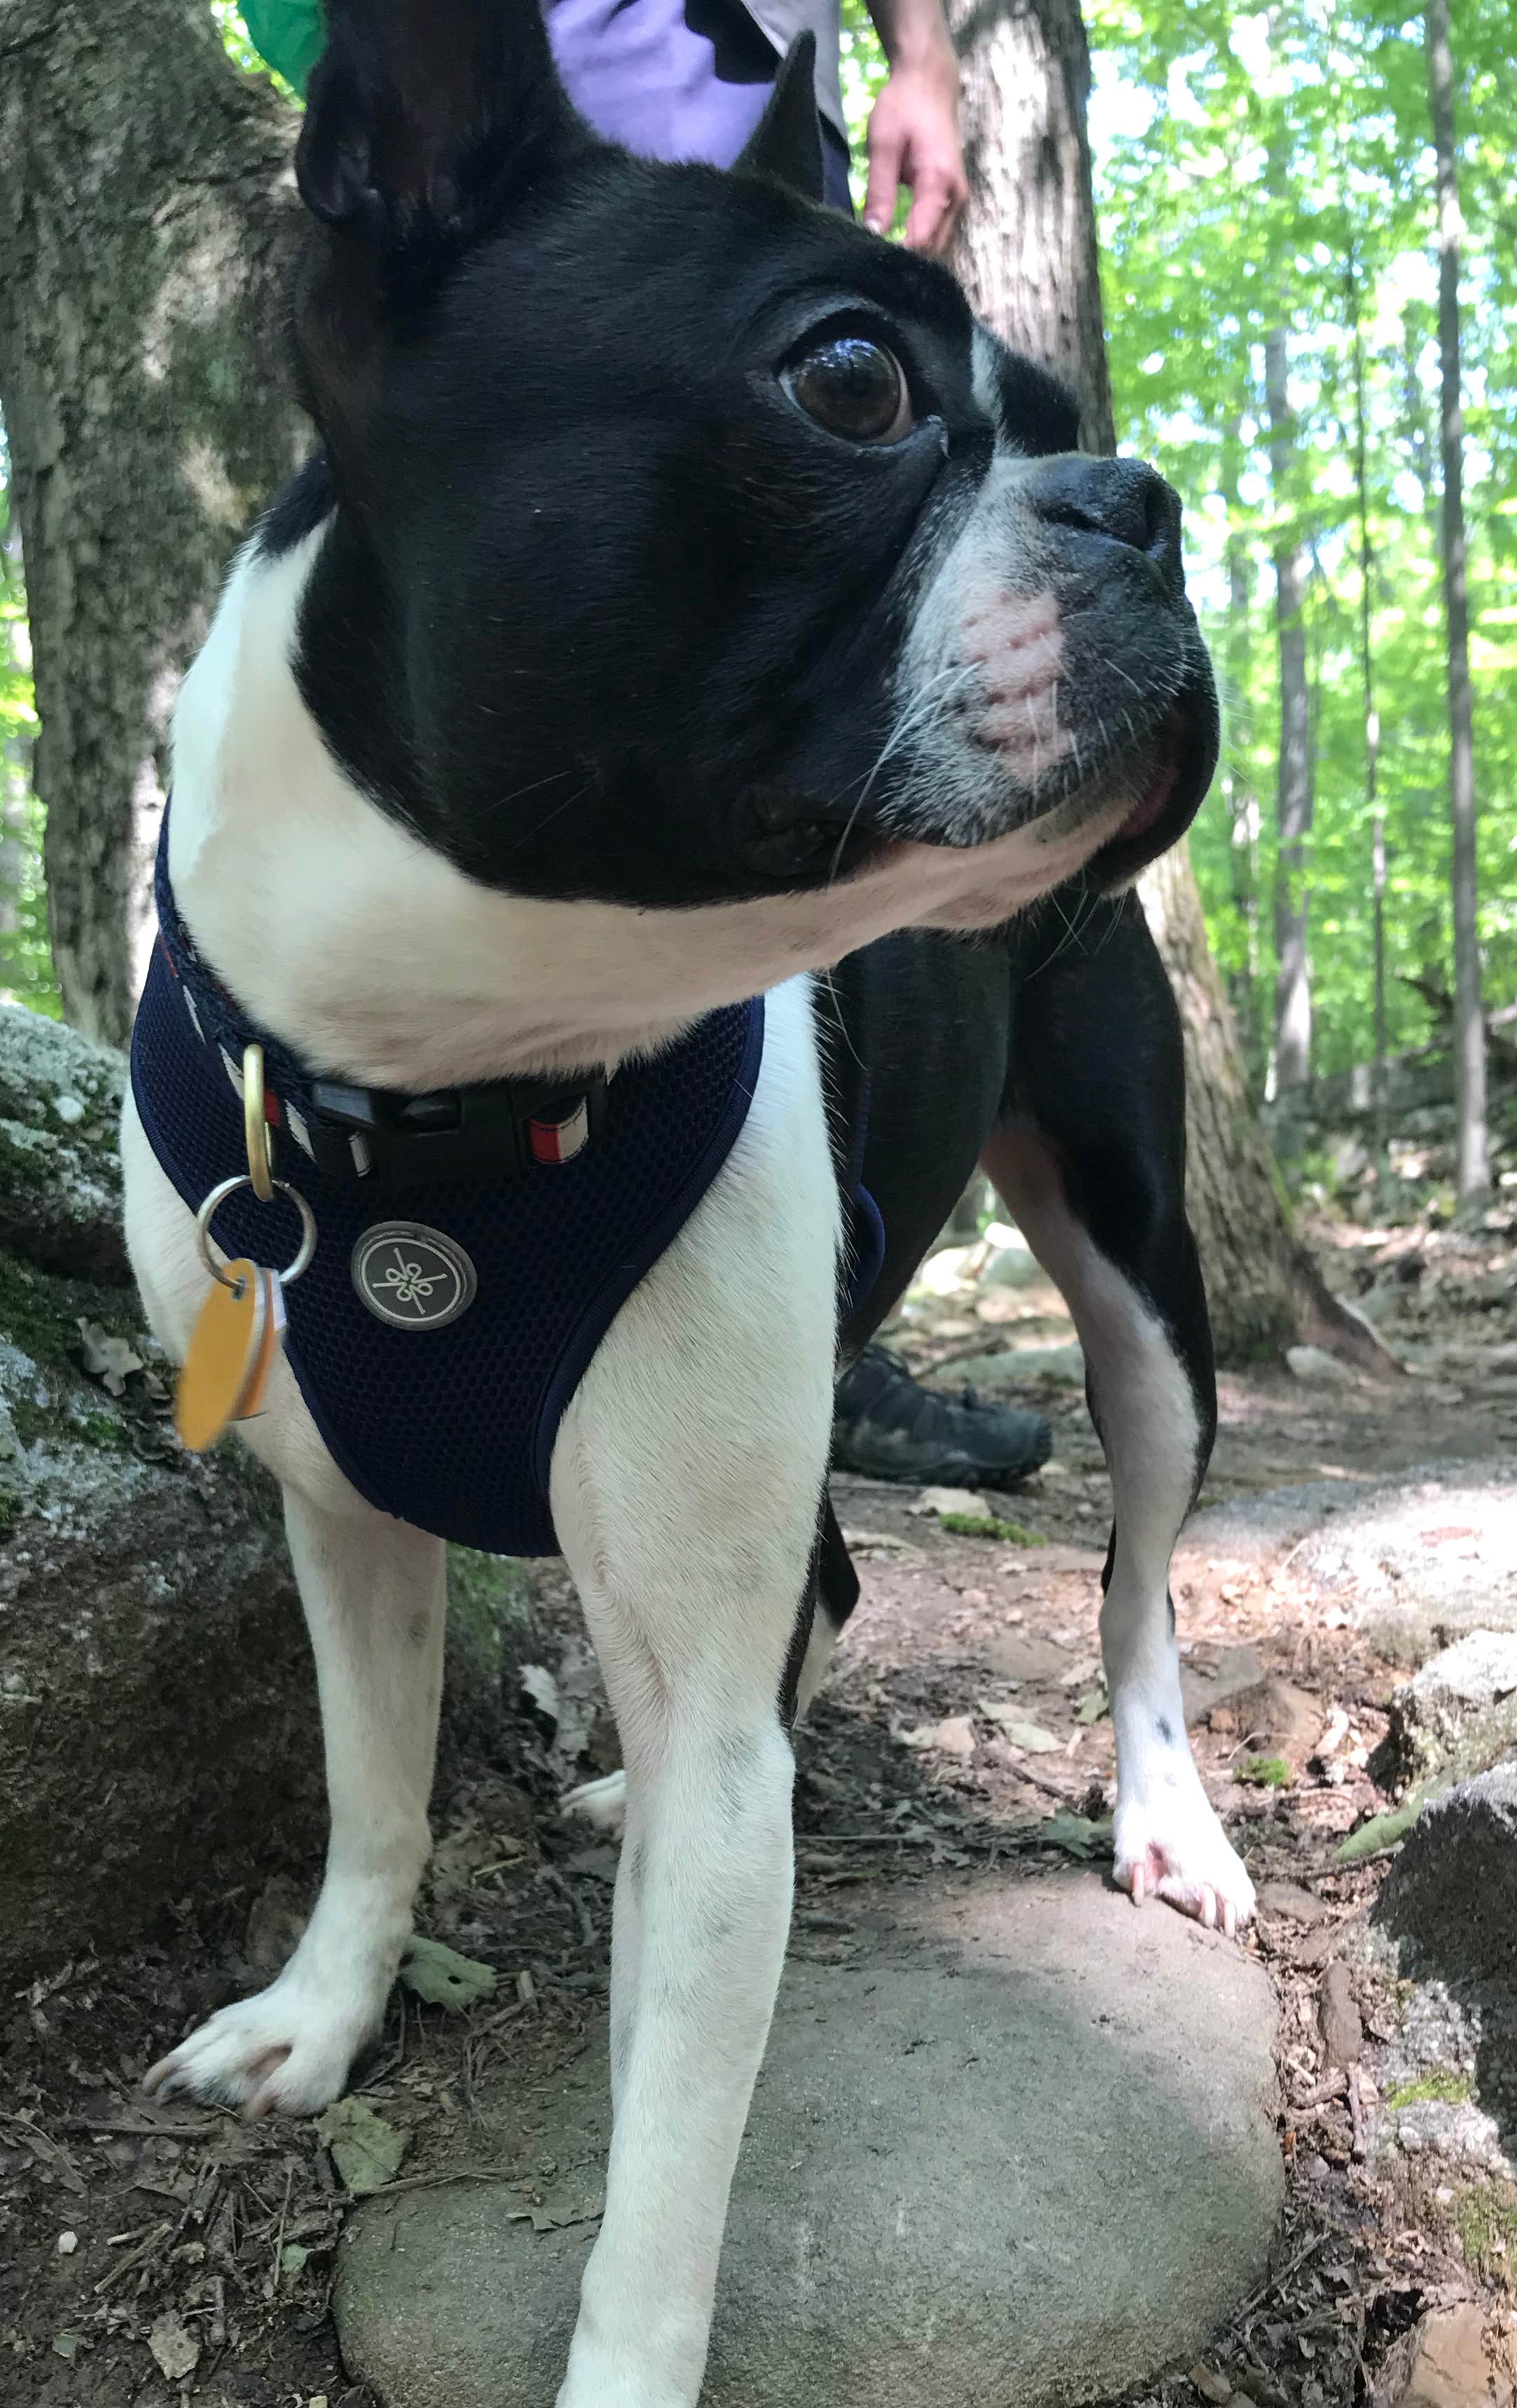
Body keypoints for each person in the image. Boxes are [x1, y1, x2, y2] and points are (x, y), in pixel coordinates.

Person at [240, 0, 1051, 1492]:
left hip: (759, 91)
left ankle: (804, 1307)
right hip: (549, 81)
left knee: (800, 725)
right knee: (619, 701)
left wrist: (921, 52)